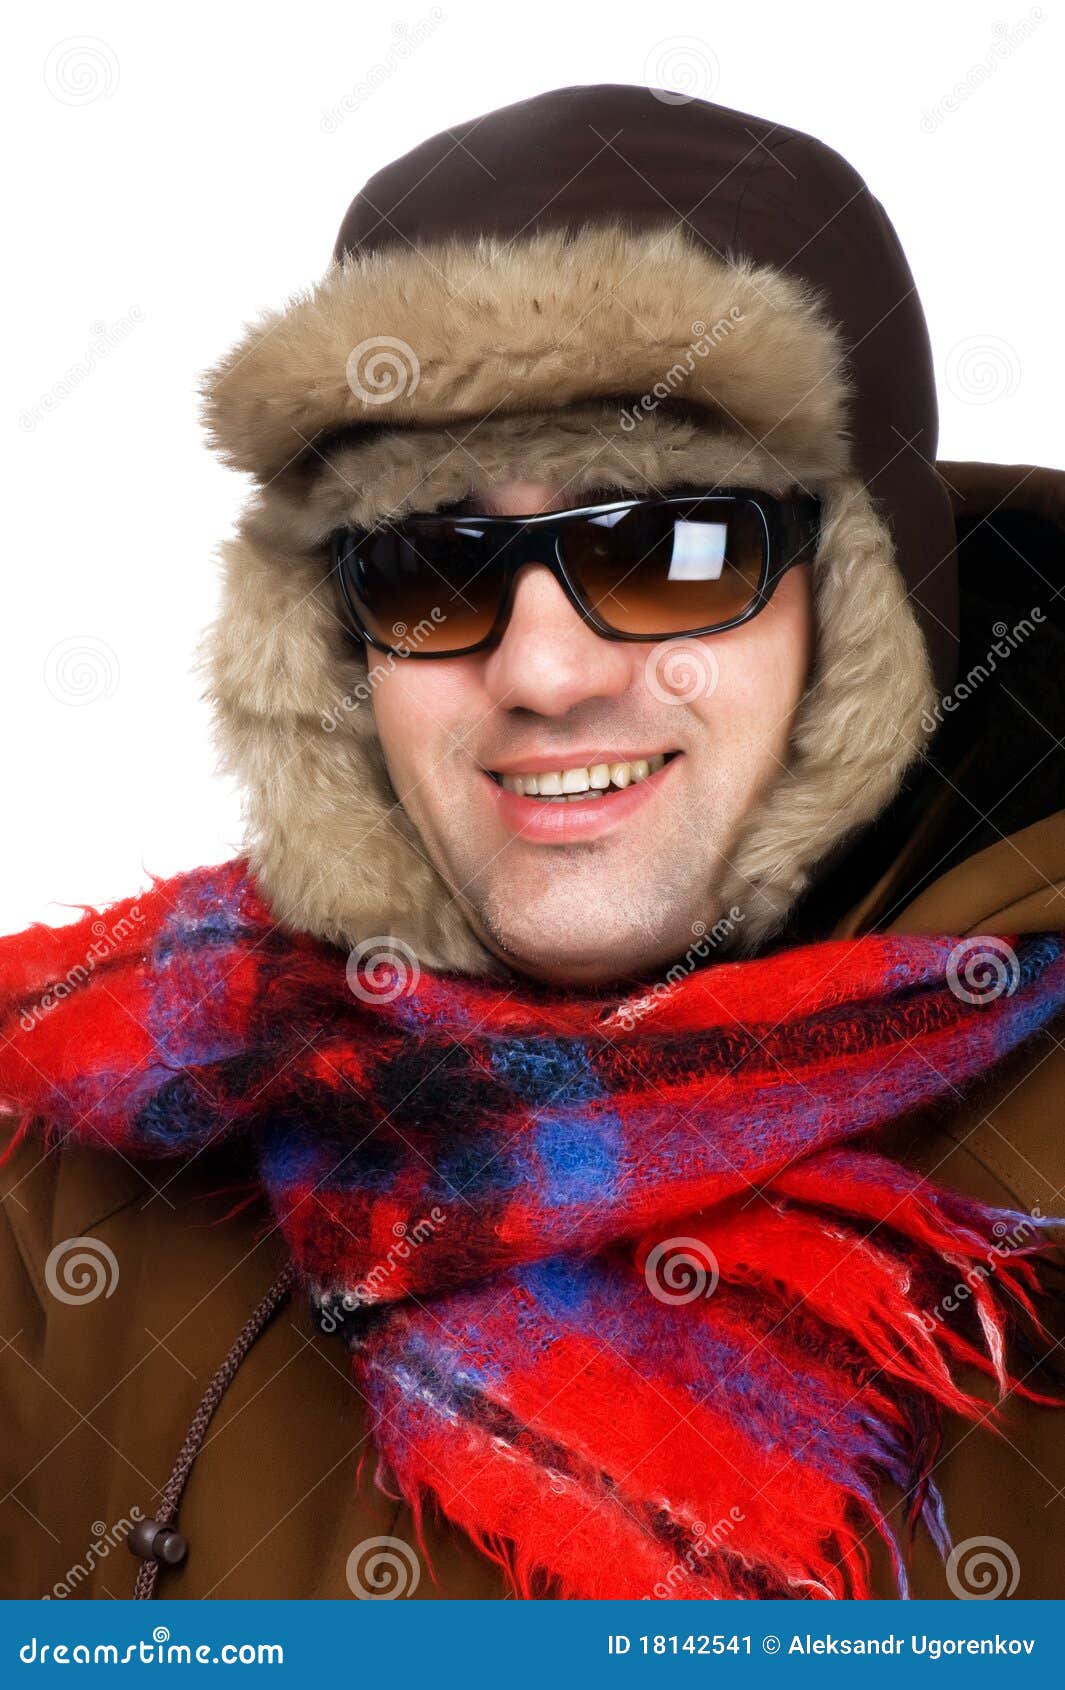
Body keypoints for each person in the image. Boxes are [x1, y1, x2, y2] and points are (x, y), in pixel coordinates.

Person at [2, 84, 1064, 1603]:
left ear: (859, 611)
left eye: (671, 546)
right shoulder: (78, 1179)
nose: (546, 673)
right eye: (435, 566)